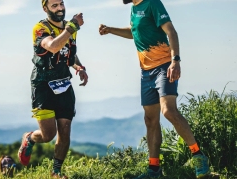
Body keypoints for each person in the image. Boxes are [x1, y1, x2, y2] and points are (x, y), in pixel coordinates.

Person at [99, 0, 210, 178]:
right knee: (150, 119)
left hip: (164, 66)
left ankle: (198, 156)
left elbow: (171, 31)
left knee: (169, 111)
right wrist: (111, 30)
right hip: (146, 72)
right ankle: (154, 169)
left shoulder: (152, 3)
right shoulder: (134, 8)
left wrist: (176, 60)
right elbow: (134, 32)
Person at [17, 0, 88, 178]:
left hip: (63, 83)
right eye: (54, 5)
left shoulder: (67, 28)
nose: (60, 9)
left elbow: (67, 51)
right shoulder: (40, 28)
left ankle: (55, 172)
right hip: (43, 84)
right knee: (49, 134)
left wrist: (78, 67)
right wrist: (72, 26)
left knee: (65, 130)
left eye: (61, 4)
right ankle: (30, 138)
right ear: (45, 8)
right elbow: (54, 46)